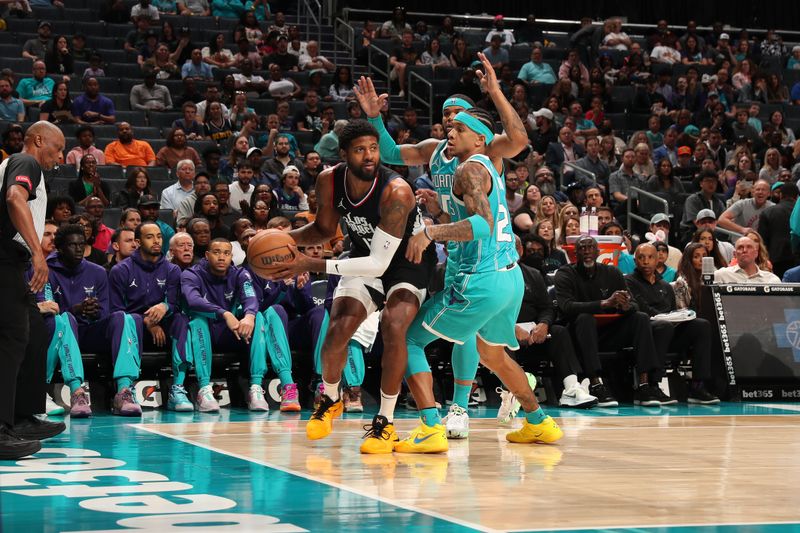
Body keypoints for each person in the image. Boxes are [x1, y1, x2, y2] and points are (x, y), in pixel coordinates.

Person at [357, 53, 534, 440]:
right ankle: (535, 416)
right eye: (447, 116)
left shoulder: (484, 156)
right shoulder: (435, 150)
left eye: (459, 117)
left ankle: (455, 408)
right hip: (462, 257)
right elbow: (389, 153)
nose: (450, 121)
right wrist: (374, 118)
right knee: (487, 350)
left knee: (446, 335)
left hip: (481, 258)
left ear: (475, 130)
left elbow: (519, 139)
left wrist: (497, 93)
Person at [266, 118, 442, 453]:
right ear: (344, 153)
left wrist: (311, 263)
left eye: (374, 149)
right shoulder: (329, 180)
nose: (369, 155)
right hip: (364, 254)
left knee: (393, 326)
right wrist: (279, 240)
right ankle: (330, 399)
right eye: (360, 149)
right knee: (337, 328)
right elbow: (322, 229)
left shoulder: (397, 191)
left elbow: (380, 263)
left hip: (408, 262)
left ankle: (385, 421)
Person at [396, 105, 563, 452]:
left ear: (479, 138)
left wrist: (430, 231)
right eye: (449, 128)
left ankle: (430, 429)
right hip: (510, 278)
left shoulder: (469, 171)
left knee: (408, 341)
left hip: (481, 280)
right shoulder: (486, 169)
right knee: (494, 356)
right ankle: (538, 422)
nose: (450, 134)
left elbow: (482, 225)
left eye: (459, 129)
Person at [0, 121, 66, 459]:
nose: (60, 156)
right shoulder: (26, 162)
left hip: (12, 261)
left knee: (36, 332)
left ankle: (23, 416)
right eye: (57, 149)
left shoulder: (17, 165)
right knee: (11, 340)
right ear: (38, 140)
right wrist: (37, 252)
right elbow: (14, 198)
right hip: (5, 258)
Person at [44, 223, 143, 415]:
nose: (79, 249)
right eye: (73, 245)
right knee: (65, 318)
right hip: (65, 334)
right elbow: (49, 312)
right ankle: (76, 391)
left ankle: (123, 390)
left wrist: (94, 310)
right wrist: (76, 309)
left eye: (82, 244)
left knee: (122, 317)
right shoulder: (47, 270)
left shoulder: (97, 271)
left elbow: (106, 311)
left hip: (91, 331)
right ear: (60, 248)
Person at [555, 236, 664, 407]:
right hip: (578, 336)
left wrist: (625, 305)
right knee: (585, 318)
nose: (587, 251)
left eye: (591, 247)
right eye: (582, 248)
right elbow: (566, 306)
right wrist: (604, 303)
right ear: (575, 254)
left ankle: (644, 385)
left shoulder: (612, 273)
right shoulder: (565, 273)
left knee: (640, 318)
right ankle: (596, 384)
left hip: (609, 334)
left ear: (598, 252)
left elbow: (634, 303)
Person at [180, 238, 272, 411]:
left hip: (233, 333)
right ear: (207, 255)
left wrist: (249, 316)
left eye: (226, 253)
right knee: (198, 320)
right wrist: (224, 313)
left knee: (258, 316)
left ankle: (256, 388)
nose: (221, 257)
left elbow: (250, 297)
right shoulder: (191, 274)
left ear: (231, 256)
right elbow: (193, 301)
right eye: (216, 252)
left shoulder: (240, 274)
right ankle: (204, 389)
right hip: (205, 334)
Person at [625, 244, 720, 404]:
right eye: (641, 258)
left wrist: (680, 316)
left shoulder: (665, 286)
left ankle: (697, 386)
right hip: (645, 334)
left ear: (658, 260)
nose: (646, 262)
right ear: (635, 261)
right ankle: (653, 385)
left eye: (650, 257)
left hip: (669, 333)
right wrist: (666, 317)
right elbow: (639, 308)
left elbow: (672, 310)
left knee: (702, 325)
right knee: (663, 325)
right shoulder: (628, 281)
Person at [514, 235, 598, 409]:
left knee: (559, 331)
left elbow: (547, 307)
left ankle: (571, 388)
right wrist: (510, 328)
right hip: (502, 331)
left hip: (532, 330)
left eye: (514, 248)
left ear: (520, 251)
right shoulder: (489, 276)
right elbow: (487, 312)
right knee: (499, 338)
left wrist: (543, 324)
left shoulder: (533, 274)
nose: (510, 252)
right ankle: (513, 392)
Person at [758, 182, 798, 278]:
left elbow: (762, 241)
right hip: (797, 260)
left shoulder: (767, 212)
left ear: (780, 195)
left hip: (776, 260)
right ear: (797, 197)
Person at [714, 236, 781, 283]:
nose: (745, 250)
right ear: (734, 254)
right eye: (740, 247)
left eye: (749, 247)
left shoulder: (772, 280)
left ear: (756, 253)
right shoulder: (721, 275)